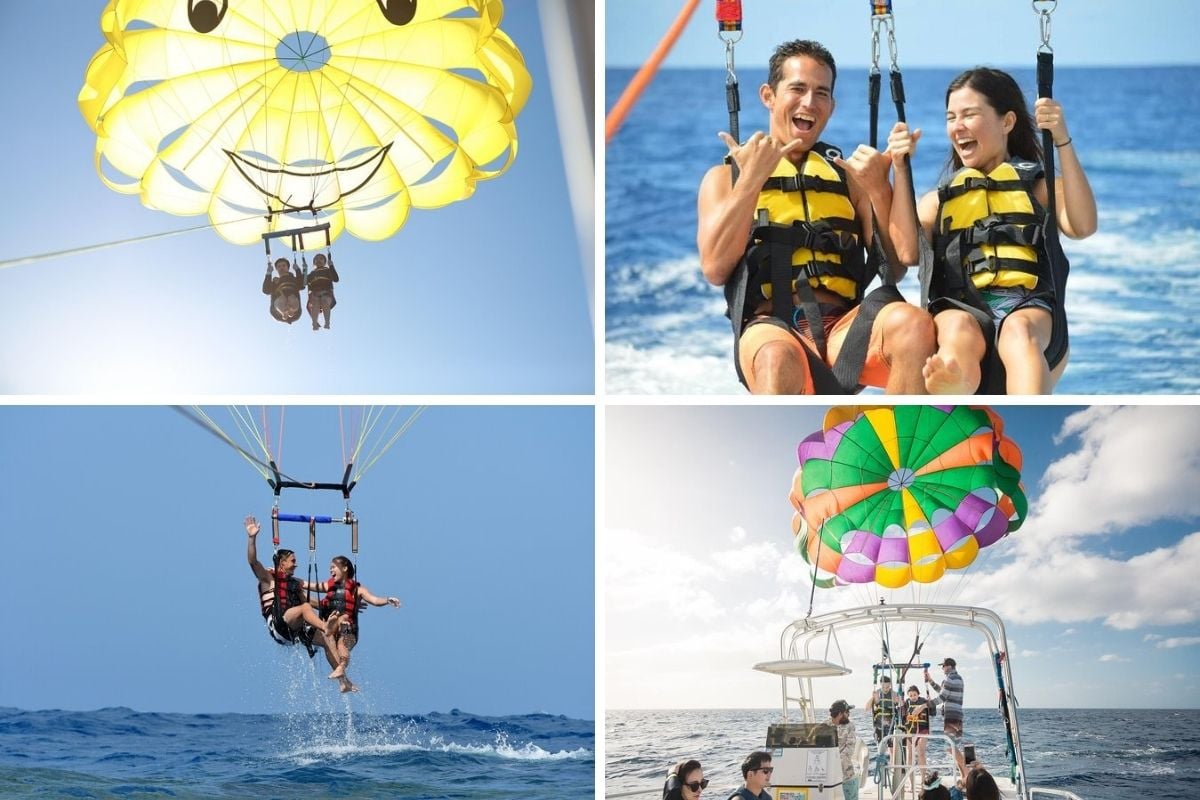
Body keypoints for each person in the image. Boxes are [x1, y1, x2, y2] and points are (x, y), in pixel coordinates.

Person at [697, 39, 935, 395]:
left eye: (821, 93)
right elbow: (715, 268)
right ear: (768, 95)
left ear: (832, 105)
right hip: (771, 327)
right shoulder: (725, 178)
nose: (810, 102)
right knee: (778, 358)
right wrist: (750, 181)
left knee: (913, 325)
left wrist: (880, 187)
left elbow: (896, 268)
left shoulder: (846, 176)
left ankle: (901, 443)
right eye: (797, 88)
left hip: (844, 329)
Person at [888, 67, 1097, 394]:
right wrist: (900, 167)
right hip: (961, 309)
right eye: (950, 117)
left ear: (1007, 122)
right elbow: (906, 254)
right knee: (959, 328)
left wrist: (1062, 140)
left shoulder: (1038, 188)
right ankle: (955, 383)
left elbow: (1082, 226)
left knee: (1018, 332)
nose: (957, 127)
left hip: (1028, 307)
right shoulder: (937, 201)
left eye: (969, 115)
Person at [244, 515, 347, 689]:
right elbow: (253, 561)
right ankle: (325, 627)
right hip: (278, 626)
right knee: (310, 613)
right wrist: (252, 538)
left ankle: (343, 681)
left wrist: (339, 604)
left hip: (293, 629)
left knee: (327, 639)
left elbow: (313, 603)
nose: (296, 565)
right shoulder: (268, 579)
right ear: (282, 563)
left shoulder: (294, 584)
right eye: (293, 561)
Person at [320, 555, 402, 693]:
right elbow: (305, 584)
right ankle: (344, 682)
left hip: (349, 631)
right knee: (328, 644)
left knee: (341, 644)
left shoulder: (359, 590)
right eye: (330, 568)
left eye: (333, 567)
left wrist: (387, 600)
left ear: (345, 568)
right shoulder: (329, 587)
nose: (330, 570)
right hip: (333, 630)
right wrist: (278, 576)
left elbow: (375, 600)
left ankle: (341, 668)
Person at [925, 658, 966, 779]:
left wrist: (924, 705)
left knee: (950, 747)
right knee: (953, 747)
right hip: (957, 716)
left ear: (948, 666)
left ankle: (967, 773)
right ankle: (964, 776)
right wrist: (931, 681)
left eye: (943, 666)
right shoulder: (957, 678)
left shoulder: (950, 679)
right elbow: (942, 690)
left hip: (952, 717)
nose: (942, 669)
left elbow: (942, 697)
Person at [828, 699, 860, 800]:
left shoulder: (850, 726)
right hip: (828, 775)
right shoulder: (824, 726)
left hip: (846, 776)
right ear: (840, 714)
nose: (849, 714)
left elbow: (849, 751)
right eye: (847, 712)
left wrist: (835, 764)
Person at [902, 684, 932, 788]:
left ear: (918, 694)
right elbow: (902, 716)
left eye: (914, 694)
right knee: (909, 755)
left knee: (921, 753)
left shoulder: (924, 701)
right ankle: (911, 783)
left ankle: (923, 780)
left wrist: (930, 702)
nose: (913, 697)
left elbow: (932, 713)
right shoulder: (906, 703)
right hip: (910, 730)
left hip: (922, 730)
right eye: (910, 695)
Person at [305, 253, 339, 330]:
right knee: (315, 301)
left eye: (321, 259)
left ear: (325, 262)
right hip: (315, 294)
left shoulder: (327, 270)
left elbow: (336, 279)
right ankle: (314, 322)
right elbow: (304, 283)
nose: (318, 260)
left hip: (326, 293)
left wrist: (331, 266)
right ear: (314, 263)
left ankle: (327, 322)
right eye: (316, 259)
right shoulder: (311, 274)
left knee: (324, 300)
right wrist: (304, 270)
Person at [263, 257, 303, 323]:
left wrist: (297, 270)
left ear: (288, 268)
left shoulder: (293, 279)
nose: (281, 268)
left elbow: (302, 285)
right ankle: (284, 312)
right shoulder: (275, 282)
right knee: (281, 299)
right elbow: (266, 290)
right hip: (278, 311)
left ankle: (291, 311)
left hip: (295, 309)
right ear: (276, 269)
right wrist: (268, 273)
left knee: (291, 298)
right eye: (279, 266)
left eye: (284, 266)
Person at [866, 675, 902, 746]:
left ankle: (891, 755)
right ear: (880, 685)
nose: (885, 689)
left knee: (891, 746)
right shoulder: (877, 694)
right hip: (879, 724)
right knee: (880, 745)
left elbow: (902, 707)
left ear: (890, 685)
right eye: (883, 687)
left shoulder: (894, 694)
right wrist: (872, 698)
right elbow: (867, 708)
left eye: (888, 687)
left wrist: (899, 700)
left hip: (891, 723)